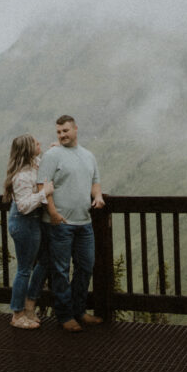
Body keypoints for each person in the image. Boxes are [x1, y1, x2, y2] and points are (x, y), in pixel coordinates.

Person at [37, 114, 105, 332]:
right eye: (58, 132)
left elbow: (94, 181)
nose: (62, 135)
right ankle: (65, 315)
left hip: (84, 222)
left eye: (65, 130)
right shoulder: (52, 155)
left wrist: (98, 196)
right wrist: (53, 213)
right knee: (61, 270)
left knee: (86, 266)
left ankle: (80, 311)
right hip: (59, 223)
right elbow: (42, 186)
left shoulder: (88, 156)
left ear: (76, 129)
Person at [2, 134, 54, 330]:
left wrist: (55, 149)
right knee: (24, 269)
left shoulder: (35, 164)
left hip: (32, 222)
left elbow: (47, 162)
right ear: (26, 149)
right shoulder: (21, 176)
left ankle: (30, 305)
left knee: (45, 260)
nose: (39, 143)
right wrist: (44, 193)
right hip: (24, 222)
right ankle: (17, 313)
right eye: (35, 143)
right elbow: (23, 206)